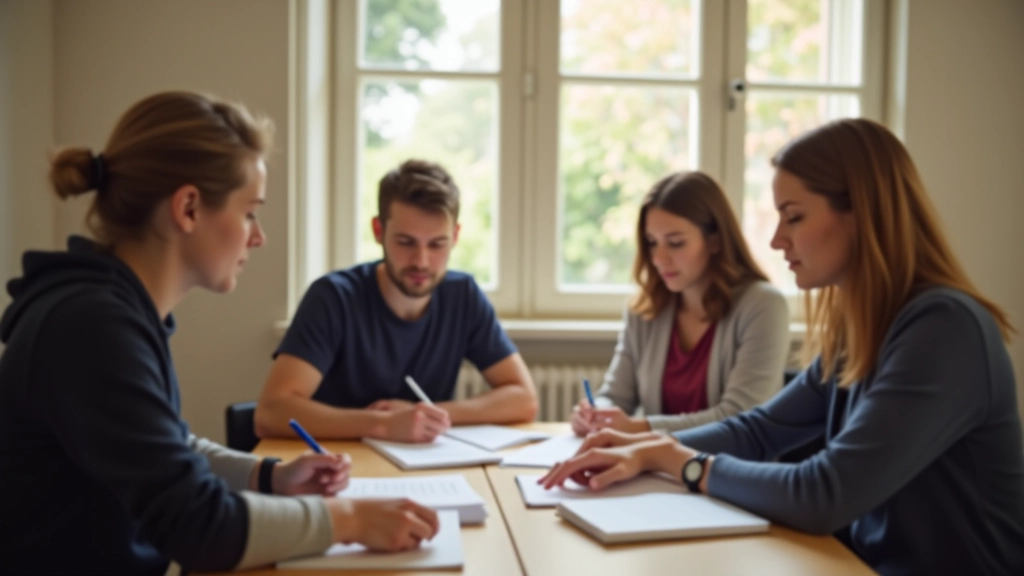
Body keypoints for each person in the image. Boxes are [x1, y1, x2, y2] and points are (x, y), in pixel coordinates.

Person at [541, 118, 1024, 575]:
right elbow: (761, 431)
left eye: (792, 217)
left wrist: (680, 461)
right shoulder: (861, 327)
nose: (776, 240)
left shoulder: (944, 329)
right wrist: (644, 447)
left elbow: (824, 494)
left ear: (862, 215)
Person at [0, 91, 439, 575]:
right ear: (188, 208)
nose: (258, 236)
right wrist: (349, 518)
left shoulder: (110, 310)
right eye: (250, 211)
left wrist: (267, 474)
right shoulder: (92, 328)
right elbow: (200, 527)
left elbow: (168, 448)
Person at [255, 159, 537, 442]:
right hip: (334, 468)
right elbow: (271, 412)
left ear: (455, 237)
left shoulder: (462, 295)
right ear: (379, 231)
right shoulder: (333, 297)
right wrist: (384, 424)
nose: (421, 261)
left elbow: (524, 399)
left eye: (437, 244)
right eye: (405, 242)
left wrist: (426, 414)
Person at [571, 171, 789, 436]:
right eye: (652, 243)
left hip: (729, 471)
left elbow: (740, 416)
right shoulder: (645, 309)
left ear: (715, 240)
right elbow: (616, 396)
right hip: (658, 471)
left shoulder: (763, 306)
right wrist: (596, 414)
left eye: (675, 243)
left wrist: (642, 427)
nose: (659, 258)